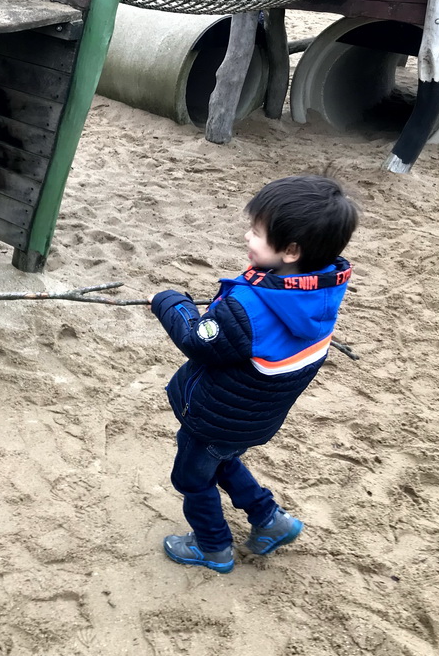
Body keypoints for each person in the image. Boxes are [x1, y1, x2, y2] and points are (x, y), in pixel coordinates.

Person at [147, 175, 359, 573]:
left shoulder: (250, 309)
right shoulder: (317, 292)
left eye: (257, 233)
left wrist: (168, 302)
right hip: (250, 419)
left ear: (291, 251)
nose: (248, 237)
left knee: (192, 478)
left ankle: (212, 547)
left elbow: (197, 339)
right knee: (223, 460)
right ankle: (270, 519)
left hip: (215, 419)